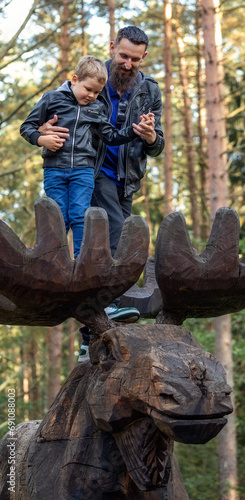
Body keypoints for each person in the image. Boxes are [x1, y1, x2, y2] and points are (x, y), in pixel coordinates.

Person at [37, 26, 165, 361]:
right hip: (91, 175)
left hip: (127, 180)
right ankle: (96, 327)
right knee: (107, 248)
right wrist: (42, 132)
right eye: (123, 55)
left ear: (144, 58)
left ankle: (91, 337)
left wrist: (149, 135)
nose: (127, 63)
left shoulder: (149, 89)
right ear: (112, 48)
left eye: (135, 59)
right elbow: (56, 112)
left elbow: (157, 146)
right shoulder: (93, 80)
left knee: (109, 250)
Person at [21, 55, 150, 259]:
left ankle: (81, 260)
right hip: (54, 168)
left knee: (81, 214)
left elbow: (110, 136)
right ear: (74, 79)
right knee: (58, 216)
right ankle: (54, 260)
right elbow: (26, 127)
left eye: (97, 92)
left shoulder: (97, 108)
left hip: (84, 170)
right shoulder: (51, 99)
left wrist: (135, 131)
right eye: (88, 89)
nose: (91, 95)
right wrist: (41, 140)